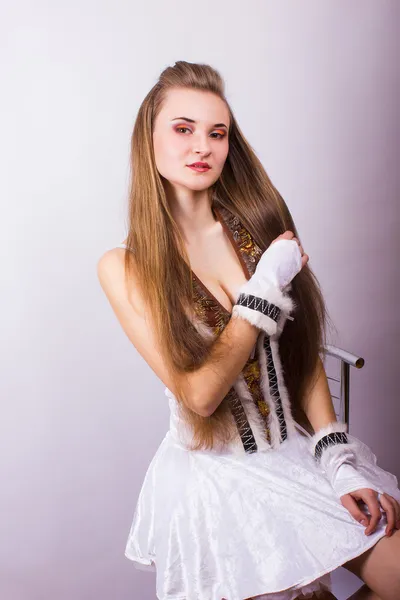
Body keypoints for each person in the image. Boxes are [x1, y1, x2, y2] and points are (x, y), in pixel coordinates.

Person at [97, 61, 400, 600]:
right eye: (183, 128)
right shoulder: (126, 267)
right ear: (149, 138)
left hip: (295, 455)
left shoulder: (258, 223)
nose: (203, 147)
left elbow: (300, 350)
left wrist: (338, 459)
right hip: (221, 485)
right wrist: (261, 291)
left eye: (218, 133)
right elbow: (201, 395)